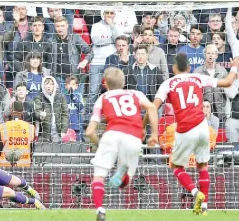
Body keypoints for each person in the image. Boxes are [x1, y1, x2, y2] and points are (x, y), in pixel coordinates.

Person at [145, 54, 239, 215]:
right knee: (202, 166)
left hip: (184, 130)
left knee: (176, 166)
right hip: (203, 128)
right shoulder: (198, 78)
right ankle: (204, 208)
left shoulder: (168, 83)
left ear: (173, 69)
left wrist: (143, 127)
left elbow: (153, 108)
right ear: (189, 68)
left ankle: (195, 192)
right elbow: (228, 82)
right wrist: (235, 66)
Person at [86, 67, 158, 221]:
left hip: (111, 135)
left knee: (98, 176)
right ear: (124, 82)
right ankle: (123, 173)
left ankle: (100, 209)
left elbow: (89, 131)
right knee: (124, 185)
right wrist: (154, 134)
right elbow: (152, 107)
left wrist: (99, 144)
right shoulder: (136, 94)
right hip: (133, 138)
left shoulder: (103, 98)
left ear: (104, 83)